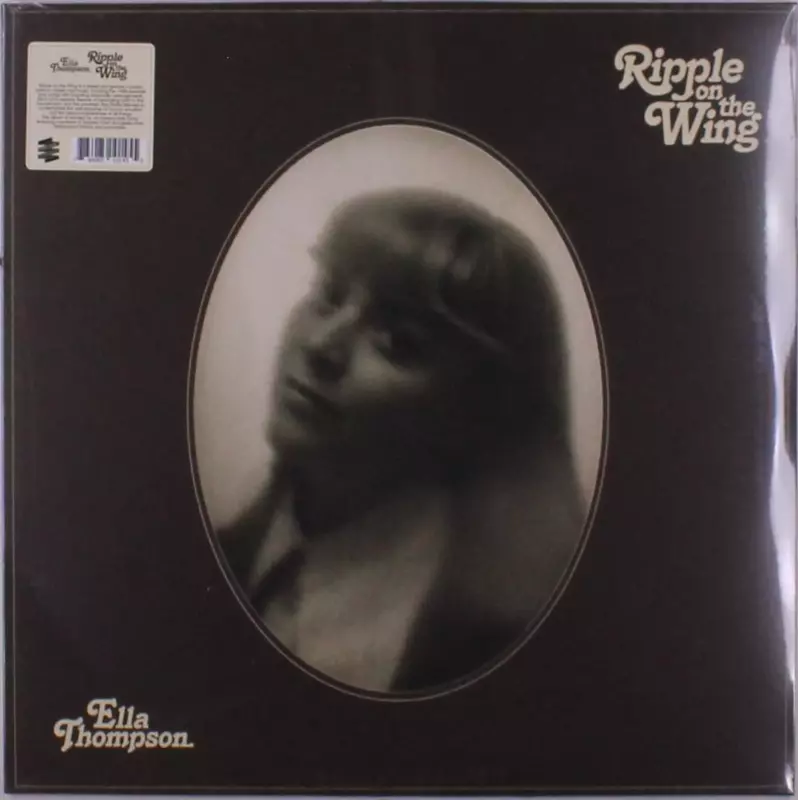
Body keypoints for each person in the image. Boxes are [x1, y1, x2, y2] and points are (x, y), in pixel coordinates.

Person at [218, 188, 585, 694]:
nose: (322, 345)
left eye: (399, 342)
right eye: (328, 295)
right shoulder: (215, 560)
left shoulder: (506, 643)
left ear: (473, 411)